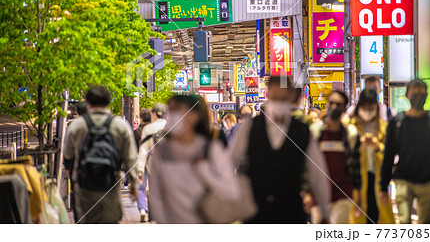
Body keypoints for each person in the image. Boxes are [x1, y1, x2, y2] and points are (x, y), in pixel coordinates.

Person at [231, 76, 331, 224]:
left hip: (291, 212)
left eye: (283, 96)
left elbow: (317, 174)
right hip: (256, 212)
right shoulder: (250, 127)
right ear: (268, 95)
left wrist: (324, 211)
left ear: (290, 96)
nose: (279, 101)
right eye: (276, 96)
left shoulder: (302, 130)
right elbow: (230, 160)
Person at [149, 95, 240, 223]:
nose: (173, 116)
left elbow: (232, 192)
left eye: (178, 110)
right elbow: (154, 196)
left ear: (194, 116)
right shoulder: (161, 151)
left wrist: (206, 174)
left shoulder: (210, 149)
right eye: (171, 111)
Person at [379, 79, 430, 224]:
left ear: (427, 95)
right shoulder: (397, 122)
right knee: (404, 222)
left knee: (425, 223)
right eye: (415, 94)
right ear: (407, 95)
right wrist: (383, 185)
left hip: (429, 182)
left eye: (422, 94)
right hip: (403, 180)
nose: (418, 98)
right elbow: (389, 154)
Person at [63, 86, 137, 224]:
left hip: (84, 185)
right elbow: (130, 158)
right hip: (111, 183)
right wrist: (134, 184)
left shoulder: (77, 125)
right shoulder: (120, 125)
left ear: (88, 102)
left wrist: (71, 178)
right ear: (108, 101)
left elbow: (67, 156)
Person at [310, 90, 362, 224]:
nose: (334, 107)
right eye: (331, 103)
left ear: (344, 108)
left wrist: (360, 194)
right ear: (326, 105)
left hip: (343, 195)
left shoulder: (350, 134)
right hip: (319, 196)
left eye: (338, 104)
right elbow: (307, 164)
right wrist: (306, 193)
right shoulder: (315, 132)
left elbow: (356, 166)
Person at [350, 89, 394, 224]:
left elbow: (390, 153)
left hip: (378, 175)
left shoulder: (383, 126)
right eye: (365, 107)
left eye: (371, 108)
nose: (368, 111)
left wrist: (377, 146)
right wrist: (359, 144)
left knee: (377, 212)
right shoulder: (351, 125)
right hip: (356, 176)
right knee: (358, 213)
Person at [136, 103, 167, 222]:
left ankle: (154, 216)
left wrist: (140, 170)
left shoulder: (148, 129)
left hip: (153, 165)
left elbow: (143, 152)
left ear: (154, 114)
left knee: (154, 190)